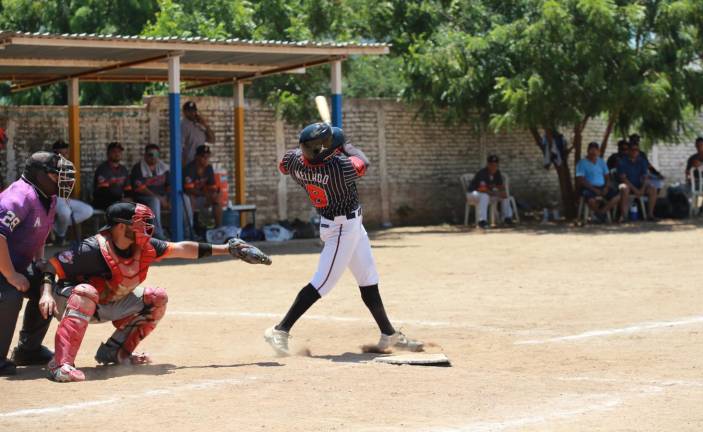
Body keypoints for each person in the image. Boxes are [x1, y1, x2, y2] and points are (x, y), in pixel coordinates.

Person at [40, 202, 270, 382]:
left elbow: (182, 248)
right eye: (140, 224)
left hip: (108, 303)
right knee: (86, 292)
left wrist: (229, 249)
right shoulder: (92, 248)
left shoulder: (144, 247)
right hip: (70, 303)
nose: (147, 229)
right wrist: (46, 294)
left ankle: (116, 352)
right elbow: (51, 265)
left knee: (157, 297)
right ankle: (61, 364)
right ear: (121, 227)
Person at [264, 123, 422, 357]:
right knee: (322, 283)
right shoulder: (337, 168)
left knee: (368, 279)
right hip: (340, 229)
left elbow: (283, 164)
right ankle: (281, 330)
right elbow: (363, 163)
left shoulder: (295, 161)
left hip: (351, 226)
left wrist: (323, 144)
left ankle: (388, 334)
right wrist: (344, 145)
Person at [0, 151, 75, 375]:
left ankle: (28, 350)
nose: (63, 180)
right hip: (4, 267)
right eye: (57, 174)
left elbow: (39, 231)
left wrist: (39, 261)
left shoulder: (48, 196)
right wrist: (11, 275)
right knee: (9, 297)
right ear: (40, 175)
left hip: (15, 265)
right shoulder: (19, 196)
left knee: (49, 285)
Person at [51, 140, 93, 244]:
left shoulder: (68, 167)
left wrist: (66, 197)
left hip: (64, 199)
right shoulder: (47, 167)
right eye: (59, 153)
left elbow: (67, 189)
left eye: (65, 153)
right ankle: (60, 236)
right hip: (51, 198)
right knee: (66, 212)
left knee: (87, 210)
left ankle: (54, 227)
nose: (63, 156)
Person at [131, 144, 170, 239]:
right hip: (143, 199)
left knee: (182, 198)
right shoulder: (138, 168)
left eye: (156, 154)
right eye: (150, 154)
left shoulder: (163, 167)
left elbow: (170, 185)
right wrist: (159, 198)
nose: (153, 157)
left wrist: (167, 198)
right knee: (155, 201)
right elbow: (141, 189)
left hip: (162, 197)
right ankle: (158, 235)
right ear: (145, 155)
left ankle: (186, 232)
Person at [466, 155, 514, 228]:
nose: (493, 167)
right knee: (485, 196)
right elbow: (483, 189)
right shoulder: (482, 173)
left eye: (495, 165)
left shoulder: (497, 173)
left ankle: (507, 218)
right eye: (491, 165)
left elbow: (500, 186)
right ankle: (482, 221)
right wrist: (496, 193)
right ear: (488, 164)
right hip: (473, 194)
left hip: (487, 195)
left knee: (505, 197)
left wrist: (503, 192)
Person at [576, 142, 620, 219]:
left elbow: (607, 176)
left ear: (598, 151)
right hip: (589, 188)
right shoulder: (582, 163)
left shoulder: (601, 162)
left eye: (595, 150)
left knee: (618, 196)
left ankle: (600, 213)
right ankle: (599, 214)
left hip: (602, 187)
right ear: (587, 151)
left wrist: (606, 187)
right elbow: (581, 180)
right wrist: (594, 189)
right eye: (591, 150)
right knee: (591, 201)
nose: (593, 152)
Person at [183, 144, 222, 230]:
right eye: (203, 157)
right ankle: (190, 230)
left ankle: (218, 229)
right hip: (188, 198)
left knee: (217, 199)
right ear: (196, 157)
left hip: (202, 197)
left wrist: (213, 194)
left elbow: (212, 187)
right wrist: (205, 194)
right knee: (191, 198)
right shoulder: (189, 168)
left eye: (208, 157)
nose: (206, 159)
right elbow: (189, 190)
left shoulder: (209, 168)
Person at [617, 141, 657, 221]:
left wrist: (642, 189)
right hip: (627, 185)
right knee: (624, 188)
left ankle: (650, 215)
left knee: (653, 189)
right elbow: (623, 179)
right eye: (632, 149)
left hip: (639, 185)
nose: (635, 151)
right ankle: (624, 216)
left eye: (637, 150)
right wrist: (636, 190)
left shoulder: (642, 161)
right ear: (628, 151)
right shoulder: (622, 161)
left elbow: (645, 177)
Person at [93, 141, 131, 210]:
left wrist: (128, 198)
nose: (117, 154)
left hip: (119, 201)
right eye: (114, 151)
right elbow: (103, 191)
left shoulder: (123, 169)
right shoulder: (103, 169)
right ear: (108, 154)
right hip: (104, 201)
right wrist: (120, 199)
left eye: (119, 152)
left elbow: (128, 189)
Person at [181, 101, 215, 167]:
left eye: (194, 110)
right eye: (189, 111)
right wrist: (183, 167)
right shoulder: (183, 126)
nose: (192, 113)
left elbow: (212, 140)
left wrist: (205, 124)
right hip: (189, 164)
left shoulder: (200, 125)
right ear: (184, 112)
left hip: (201, 163)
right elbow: (181, 148)